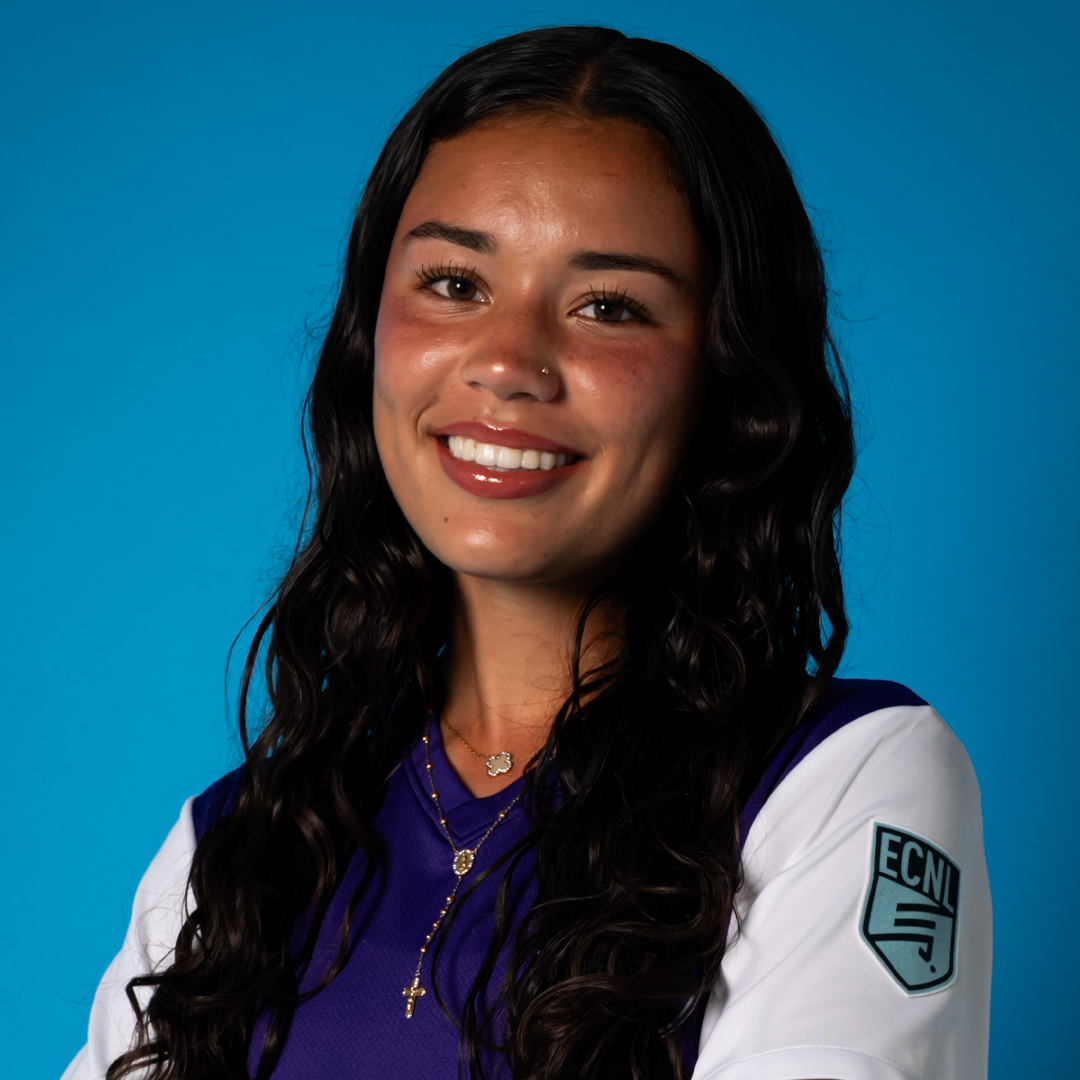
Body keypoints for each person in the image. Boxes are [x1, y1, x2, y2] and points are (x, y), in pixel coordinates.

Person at [62, 25, 991, 1080]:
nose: (507, 363)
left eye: (608, 306)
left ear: (728, 386)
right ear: (369, 337)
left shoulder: (844, 779)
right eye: (455, 283)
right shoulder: (234, 844)